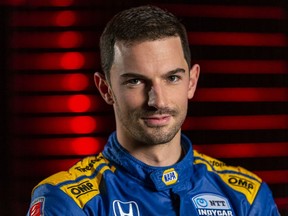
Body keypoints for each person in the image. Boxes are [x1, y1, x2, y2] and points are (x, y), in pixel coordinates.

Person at [27, 5, 279, 216]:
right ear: (105, 88)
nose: (157, 100)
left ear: (191, 82)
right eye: (135, 81)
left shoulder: (247, 196)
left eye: (172, 78)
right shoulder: (66, 201)